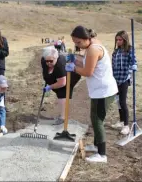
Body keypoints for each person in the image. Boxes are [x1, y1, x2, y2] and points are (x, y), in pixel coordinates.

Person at [65, 25, 118, 163]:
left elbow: (88, 72)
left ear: (86, 38)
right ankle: (96, 146)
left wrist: (74, 68)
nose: (77, 45)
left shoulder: (93, 49)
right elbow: (86, 62)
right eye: (75, 42)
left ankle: (102, 154)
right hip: (100, 89)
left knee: (97, 120)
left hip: (103, 91)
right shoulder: (91, 45)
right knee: (95, 118)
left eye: (78, 42)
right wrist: (75, 59)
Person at [41, 46, 81, 124]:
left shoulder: (60, 64)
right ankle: (62, 116)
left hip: (70, 76)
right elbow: (46, 70)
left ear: (56, 58)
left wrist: (49, 87)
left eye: (51, 61)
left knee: (62, 94)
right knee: (59, 90)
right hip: (59, 77)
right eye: (47, 61)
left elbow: (62, 82)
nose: (48, 62)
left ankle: (63, 117)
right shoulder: (44, 60)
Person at [111, 30, 138, 135]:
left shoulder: (129, 50)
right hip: (116, 79)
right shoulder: (115, 52)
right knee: (118, 102)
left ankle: (126, 125)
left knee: (122, 102)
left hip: (124, 80)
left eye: (120, 40)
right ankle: (121, 121)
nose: (118, 41)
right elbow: (113, 66)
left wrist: (133, 66)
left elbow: (133, 61)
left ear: (125, 40)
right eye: (117, 40)